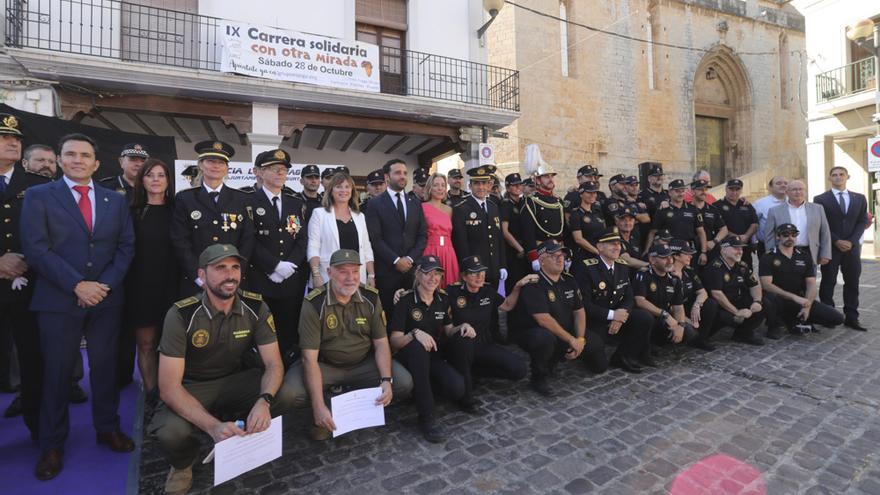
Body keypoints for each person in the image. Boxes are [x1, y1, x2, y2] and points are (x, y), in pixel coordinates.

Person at [21, 133, 135, 480]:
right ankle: (52, 444)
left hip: (105, 298)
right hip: (59, 299)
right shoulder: (39, 196)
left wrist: (104, 286)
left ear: (96, 163)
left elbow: (125, 247)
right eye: (70, 154)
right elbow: (36, 248)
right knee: (56, 374)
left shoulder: (115, 200)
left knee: (105, 370)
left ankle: (107, 427)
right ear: (59, 159)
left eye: (85, 155)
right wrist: (76, 285)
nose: (78, 160)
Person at [148, 244, 294, 494]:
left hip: (236, 380)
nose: (230, 275)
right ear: (202, 276)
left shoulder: (255, 306)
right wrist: (212, 426)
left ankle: (245, 429)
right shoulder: (181, 314)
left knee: (289, 392)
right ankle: (183, 464)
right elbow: (169, 387)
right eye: (220, 268)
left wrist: (264, 401)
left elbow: (273, 363)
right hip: (192, 386)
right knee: (170, 432)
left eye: (235, 267)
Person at [285, 249, 412, 441]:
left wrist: (386, 379)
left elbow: (381, 343)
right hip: (325, 366)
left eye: (355, 271)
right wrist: (318, 407)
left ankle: (354, 405)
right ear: (329, 273)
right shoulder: (314, 303)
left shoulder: (370, 297)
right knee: (289, 394)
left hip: (362, 363)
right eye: (343, 271)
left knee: (403, 382)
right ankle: (325, 406)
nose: (350, 278)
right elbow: (308, 359)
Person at [0, 113, 51, 436]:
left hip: (28, 286)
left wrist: (27, 260)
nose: (12, 142)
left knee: (33, 360)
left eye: (16, 139)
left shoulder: (38, 186)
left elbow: (53, 233)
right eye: (4, 138)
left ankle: (38, 426)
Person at [390, 256, 473, 442]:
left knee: (457, 389)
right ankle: (427, 417)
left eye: (437, 274)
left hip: (433, 356)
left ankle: (420, 390)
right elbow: (394, 341)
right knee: (418, 348)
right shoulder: (405, 300)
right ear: (418, 275)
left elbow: (449, 329)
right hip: (408, 356)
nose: (433, 278)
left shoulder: (442, 299)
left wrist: (463, 327)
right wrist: (414, 333)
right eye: (427, 273)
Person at [247, 149, 309, 364]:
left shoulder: (294, 203)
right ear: (260, 173)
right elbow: (249, 240)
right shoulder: (249, 202)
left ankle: (286, 369)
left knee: (288, 330)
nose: (280, 173)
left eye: (283, 170)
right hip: (260, 279)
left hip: (290, 279)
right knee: (261, 330)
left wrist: (289, 265)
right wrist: (273, 265)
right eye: (275, 169)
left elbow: (301, 239)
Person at [170, 140, 254, 296]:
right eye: (210, 161)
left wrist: (236, 272)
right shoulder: (185, 199)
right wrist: (198, 276)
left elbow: (247, 239)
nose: (216, 166)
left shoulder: (241, 199)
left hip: (232, 280)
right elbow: (180, 240)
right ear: (200, 165)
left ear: (227, 168)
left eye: (221, 162)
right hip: (197, 281)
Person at [444, 255, 530, 406]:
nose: (480, 276)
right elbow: (430, 299)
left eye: (482, 272)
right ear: (464, 276)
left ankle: (475, 372)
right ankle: (467, 396)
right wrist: (402, 294)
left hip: (484, 345)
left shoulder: (488, 291)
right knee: (464, 342)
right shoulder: (452, 292)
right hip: (461, 348)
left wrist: (517, 286)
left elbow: (508, 305)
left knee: (519, 370)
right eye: (474, 272)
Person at [125, 158, 177, 398]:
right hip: (141, 287)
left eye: (161, 175)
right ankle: (152, 394)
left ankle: (173, 392)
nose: (156, 180)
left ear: (168, 180)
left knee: (173, 345)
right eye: (150, 175)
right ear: (141, 180)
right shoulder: (130, 211)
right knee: (145, 344)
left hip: (174, 286)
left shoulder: (179, 209)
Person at [508, 240, 586, 396]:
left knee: (596, 353)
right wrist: (571, 340)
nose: (560, 259)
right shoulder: (533, 283)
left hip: (561, 329)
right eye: (554, 256)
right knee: (544, 338)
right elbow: (543, 319)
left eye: (562, 255)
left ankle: (554, 360)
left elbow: (579, 311)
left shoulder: (569, 280)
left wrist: (580, 339)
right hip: (530, 332)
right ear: (542, 261)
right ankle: (538, 377)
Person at [571, 230, 652, 374]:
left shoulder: (622, 265)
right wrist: (612, 315)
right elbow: (584, 305)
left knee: (644, 318)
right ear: (600, 247)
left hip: (615, 316)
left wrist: (621, 316)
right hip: (593, 321)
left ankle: (623, 356)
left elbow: (629, 296)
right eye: (611, 244)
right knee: (599, 367)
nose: (617, 247)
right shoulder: (586, 268)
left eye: (619, 244)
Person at [760, 224, 844, 338]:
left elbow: (811, 283)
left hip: (799, 300)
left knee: (837, 318)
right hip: (778, 299)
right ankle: (774, 325)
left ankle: (797, 319)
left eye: (794, 234)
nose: (790, 237)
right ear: (778, 236)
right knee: (769, 298)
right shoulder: (768, 257)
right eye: (786, 234)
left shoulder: (804, 256)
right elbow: (766, 285)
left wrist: (807, 306)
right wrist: (794, 297)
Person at [365, 159, 427, 314]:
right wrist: (396, 260)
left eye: (405, 173)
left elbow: (422, 235)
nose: (403, 176)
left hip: (411, 271)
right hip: (387, 271)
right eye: (398, 173)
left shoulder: (415, 203)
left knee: (413, 314)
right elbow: (375, 238)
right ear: (387, 176)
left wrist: (410, 259)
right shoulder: (375, 204)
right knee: (388, 314)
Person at [814, 166, 869, 331]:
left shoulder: (859, 198)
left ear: (847, 176)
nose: (838, 177)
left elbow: (862, 221)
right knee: (828, 281)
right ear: (829, 178)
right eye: (834, 175)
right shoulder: (820, 199)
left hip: (851, 249)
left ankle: (852, 317)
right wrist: (837, 240)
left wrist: (851, 242)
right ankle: (828, 316)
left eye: (841, 174)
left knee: (852, 282)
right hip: (830, 246)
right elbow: (821, 223)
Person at [308, 172, 374, 289]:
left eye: (347, 187)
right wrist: (316, 275)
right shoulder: (319, 214)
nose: (343, 190)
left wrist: (371, 275)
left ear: (352, 191)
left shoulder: (360, 216)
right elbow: (313, 246)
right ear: (331, 191)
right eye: (338, 186)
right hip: (328, 277)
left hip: (356, 277)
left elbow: (367, 248)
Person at [633, 244, 696, 360]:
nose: (669, 260)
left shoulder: (674, 279)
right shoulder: (643, 275)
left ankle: (657, 344)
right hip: (646, 318)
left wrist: (680, 325)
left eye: (670, 257)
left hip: (663, 319)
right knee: (647, 318)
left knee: (688, 332)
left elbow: (678, 306)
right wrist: (665, 314)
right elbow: (640, 301)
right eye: (664, 257)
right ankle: (644, 349)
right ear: (652, 260)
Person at [701, 235, 766, 346]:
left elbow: (754, 285)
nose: (740, 251)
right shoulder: (715, 267)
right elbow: (716, 294)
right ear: (724, 249)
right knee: (726, 317)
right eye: (736, 248)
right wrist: (737, 312)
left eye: (741, 248)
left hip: (735, 300)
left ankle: (742, 334)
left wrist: (757, 301)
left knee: (765, 303)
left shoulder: (742, 265)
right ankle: (703, 336)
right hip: (719, 305)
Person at [452, 165, 506, 286]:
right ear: (470, 186)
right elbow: (461, 243)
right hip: (474, 271)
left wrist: (502, 265)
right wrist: (467, 269)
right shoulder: (461, 209)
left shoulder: (493, 207)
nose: (481, 187)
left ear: (489, 185)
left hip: (494, 268)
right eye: (476, 183)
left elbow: (499, 239)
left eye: (484, 183)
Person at [520, 144, 566, 271]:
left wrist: (566, 254)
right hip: (542, 252)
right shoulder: (531, 202)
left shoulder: (558, 201)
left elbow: (564, 231)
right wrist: (533, 257)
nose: (550, 179)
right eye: (546, 176)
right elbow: (528, 233)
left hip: (558, 251)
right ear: (538, 180)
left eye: (551, 176)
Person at [764, 180, 831, 265]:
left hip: (809, 252)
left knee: (810, 278)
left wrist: (825, 254)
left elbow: (825, 232)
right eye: (794, 189)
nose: (798, 192)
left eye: (801, 189)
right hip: (784, 251)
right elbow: (769, 234)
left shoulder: (817, 209)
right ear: (787, 192)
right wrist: (771, 253)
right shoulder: (775, 211)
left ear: (805, 191)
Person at [669, 240, 719, 350]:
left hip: (686, 306)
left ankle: (701, 339)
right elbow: (670, 306)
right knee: (690, 330)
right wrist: (687, 320)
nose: (691, 257)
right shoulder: (667, 274)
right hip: (672, 312)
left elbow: (702, 292)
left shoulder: (688, 271)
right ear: (676, 256)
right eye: (687, 254)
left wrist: (697, 305)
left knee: (711, 304)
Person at [645, 179, 707, 265]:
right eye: (677, 191)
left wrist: (704, 252)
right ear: (669, 192)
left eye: (682, 191)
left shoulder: (693, 209)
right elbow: (653, 232)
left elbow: (701, 232)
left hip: (688, 251)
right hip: (670, 251)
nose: (680, 194)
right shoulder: (662, 210)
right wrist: (647, 250)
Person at [421, 172, 459, 286]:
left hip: (448, 252)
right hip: (430, 251)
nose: (440, 188)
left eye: (443, 185)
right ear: (429, 188)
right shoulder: (422, 208)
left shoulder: (449, 209)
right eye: (436, 185)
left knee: (450, 288)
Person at [500, 172, 528, 295]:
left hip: (525, 248)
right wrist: (519, 248)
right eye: (514, 185)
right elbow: (504, 231)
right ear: (507, 188)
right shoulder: (506, 204)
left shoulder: (523, 202)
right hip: (513, 251)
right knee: (515, 285)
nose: (518, 187)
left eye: (519, 185)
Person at [716, 179, 758, 261]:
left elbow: (755, 224)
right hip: (727, 247)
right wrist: (736, 237)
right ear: (726, 189)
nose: (734, 192)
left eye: (737, 189)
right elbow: (717, 226)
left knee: (746, 270)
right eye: (731, 189)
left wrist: (746, 236)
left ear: (741, 190)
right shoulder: (717, 206)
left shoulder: (746, 205)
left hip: (744, 247)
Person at [690, 179, 728, 259]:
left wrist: (714, 241)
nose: (704, 192)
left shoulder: (713, 209)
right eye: (700, 189)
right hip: (691, 250)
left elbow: (724, 229)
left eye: (706, 189)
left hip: (710, 249)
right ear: (692, 191)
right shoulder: (686, 208)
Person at [568, 182, 606, 262]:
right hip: (585, 256)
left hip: (601, 253)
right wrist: (598, 252)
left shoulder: (598, 211)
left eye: (594, 192)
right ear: (581, 194)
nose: (593, 195)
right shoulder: (576, 214)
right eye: (589, 192)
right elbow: (578, 239)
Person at [752, 176, 788, 257]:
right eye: (778, 183)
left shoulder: (792, 202)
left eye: (786, 183)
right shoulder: (760, 204)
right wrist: (753, 242)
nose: (783, 185)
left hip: (790, 246)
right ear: (770, 187)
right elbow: (753, 223)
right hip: (766, 246)